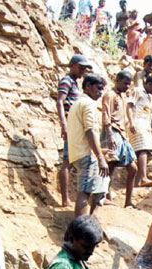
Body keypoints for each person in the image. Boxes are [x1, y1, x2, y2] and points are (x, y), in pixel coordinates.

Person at [68, 74, 109, 217]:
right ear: (87, 86)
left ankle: (86, 224)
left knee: (86, 189)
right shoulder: (88, 104)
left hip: (77, 152)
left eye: (102, 90)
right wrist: (100, 157)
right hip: (86, 154)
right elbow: (90, 131)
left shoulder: (77, 104)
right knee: (84, 193)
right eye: (98, 88)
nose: (100, 93)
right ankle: (80, 232)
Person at [56, 55, 93, 208]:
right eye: (80, 67)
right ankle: (65, 199)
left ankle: (67, 198)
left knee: (70, 160)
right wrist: (64, 124)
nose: (83, 70)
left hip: (74, 126)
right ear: (72, 66)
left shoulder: (75, 83)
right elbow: (59, 101)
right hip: (70, 126)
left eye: (84, 67)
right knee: (67, 161)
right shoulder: (67, 81)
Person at [101, 71, 138, 208]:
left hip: (122, 135)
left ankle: (128, 201)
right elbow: (106, 115)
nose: (127, 87)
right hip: (113, 133)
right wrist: (109, 135)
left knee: (133, 168)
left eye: (129, 84)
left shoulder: (121, 96)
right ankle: (103, 195)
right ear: (117, 80)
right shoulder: (110, 95)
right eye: (125, 83)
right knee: (110, 166)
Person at [126, 75, 152, 187]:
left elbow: (148, 107)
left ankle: (137, 181)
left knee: (148, 151)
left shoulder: (149, 96)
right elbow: (129, 106)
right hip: (137, 123)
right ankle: (143, 178)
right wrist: (131, 122)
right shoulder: (137, 91)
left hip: (145, 125)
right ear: (149, 84)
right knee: (143, 149)